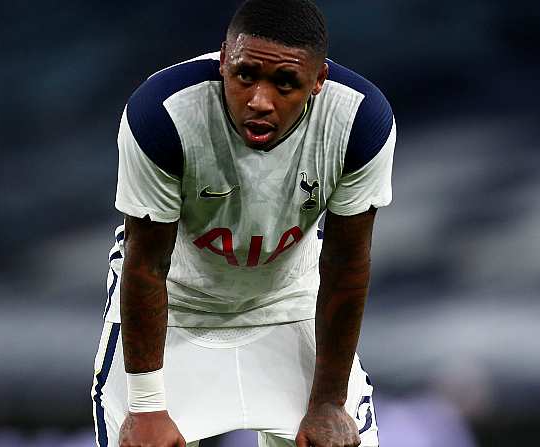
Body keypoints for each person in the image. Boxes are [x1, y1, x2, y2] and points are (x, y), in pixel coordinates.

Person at [91, 1, 396, 446]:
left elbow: (346, 264)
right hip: (176, 305)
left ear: (318, 81)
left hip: (288, 302)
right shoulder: (163, 114)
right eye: (245, 75)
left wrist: (329, 401)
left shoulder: (358, 122)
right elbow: (146, 265)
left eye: (285, 83)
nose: (259, 100)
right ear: (223, 60)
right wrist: (146, 403)